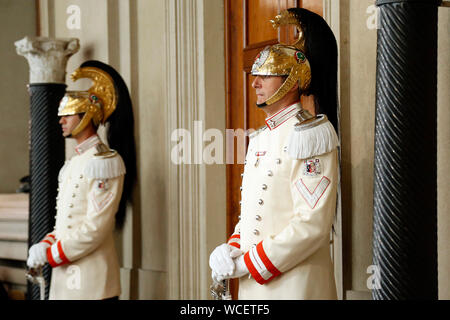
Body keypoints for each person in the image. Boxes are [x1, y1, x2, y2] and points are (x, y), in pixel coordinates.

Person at [209, 8, 340, 299]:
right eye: (255, 75)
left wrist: (248, 262)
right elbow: (257, 213)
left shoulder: (311, 135)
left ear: (292, 81)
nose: (254, 83)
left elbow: (312, 224)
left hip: (295, 287)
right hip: (255, 286)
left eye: (265, 75)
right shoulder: (260, 138)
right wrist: (232, 248)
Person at [26, 61, 136, 300]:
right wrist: (46, 243)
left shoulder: (104, 160)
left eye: (67, 115)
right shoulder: (73, 163)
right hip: (64, 280)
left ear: (87, 117)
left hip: (92, 283)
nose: (61, 121)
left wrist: (52, 254)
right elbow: (67, 223)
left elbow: (97, 227)